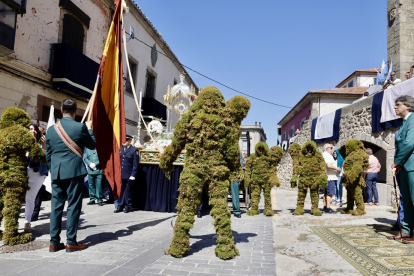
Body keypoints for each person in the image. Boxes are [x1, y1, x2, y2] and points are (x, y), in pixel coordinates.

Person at [46, 98, 96, 252]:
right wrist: (89, 129)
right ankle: (71, 241)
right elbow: (92, 145)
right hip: (74, 171)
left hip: (57, 172)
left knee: (56, 208)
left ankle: (54, 242)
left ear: (61, 110)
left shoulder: (51, 129)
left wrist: (52, 169)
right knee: (73, 206)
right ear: (75, 112)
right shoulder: (80, 127)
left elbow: (48, 154)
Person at [389, 95, 414, 243]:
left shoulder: (413, 119)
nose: (395, 107)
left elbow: (410, 143)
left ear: (408, 106)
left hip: (411, 166)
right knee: (406, 200)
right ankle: (406, 230)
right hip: (404, 166)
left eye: (398, 104)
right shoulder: (404, 122)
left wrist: (398, 161)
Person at [23, 124, 47, 233]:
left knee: (30, 199)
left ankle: (27, 222)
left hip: (37, 176)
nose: (33, 131)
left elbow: (46, 158)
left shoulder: (41, 144)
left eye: (35, 129)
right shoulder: (22, 143)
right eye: (30, 129)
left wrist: (44, 144)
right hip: (23, 174)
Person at [114, 134, 138, 214]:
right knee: (120, 190)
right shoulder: (120, 149)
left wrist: (133, 174)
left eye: (126, 140)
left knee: (128, 191)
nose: (124, 141)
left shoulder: (134, 150)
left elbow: (135, 164)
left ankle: (127, 206)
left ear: (130, 141)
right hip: (121, 174)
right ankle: (120, 205)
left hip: (129, 174)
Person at [31, 126, 48, 222]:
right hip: (29, 171)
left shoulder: (44, 143)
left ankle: (35, 213)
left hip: (40, 171)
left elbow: (46, 156)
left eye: (41, 132)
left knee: (38, 193)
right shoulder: (28, 141)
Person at [322, 144, 341, 213]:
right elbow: (329, 165)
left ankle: (325, 206)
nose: (332, 149)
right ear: (327, 148)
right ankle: (328, 208)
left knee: (326, 193)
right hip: (330, 177)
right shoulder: (326, 155)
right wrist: (337, 169)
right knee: (330, 193)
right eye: (331, 148)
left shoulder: (326, 155)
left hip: (329, 176)